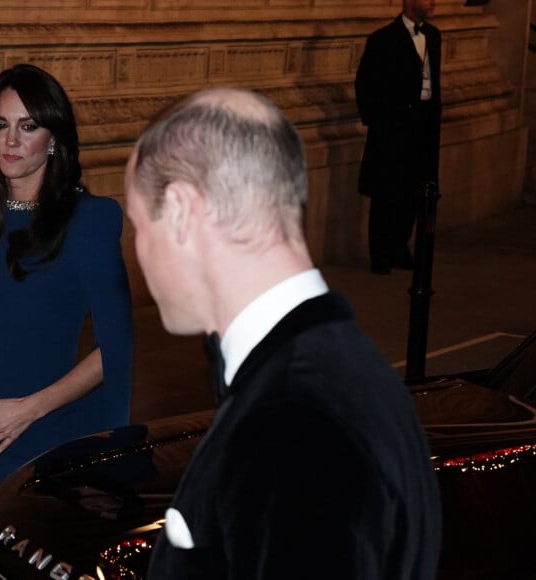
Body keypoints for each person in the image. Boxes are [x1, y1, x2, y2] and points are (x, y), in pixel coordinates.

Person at [125, 87, 442, 579]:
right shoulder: (339, 366)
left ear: (183, 211)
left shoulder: (292, 423)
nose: (138, 252)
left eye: (138, 225)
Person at [0, 64, 133, 528]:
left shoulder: (90, 220)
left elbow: (114, 348)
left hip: (35, 433)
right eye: (0, 125)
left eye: (28, 126)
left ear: (53, 137)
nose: (11, 141)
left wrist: (27, 411)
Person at [355, 0, 442, 274]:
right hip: (393, 127)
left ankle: (400, 246)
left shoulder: (434, 36)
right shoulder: (383, 39)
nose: (433, 2)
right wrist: (380, 119)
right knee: (386, 191)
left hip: (424, 125)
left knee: (415, 191)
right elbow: (365, 83)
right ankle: (380, 253)